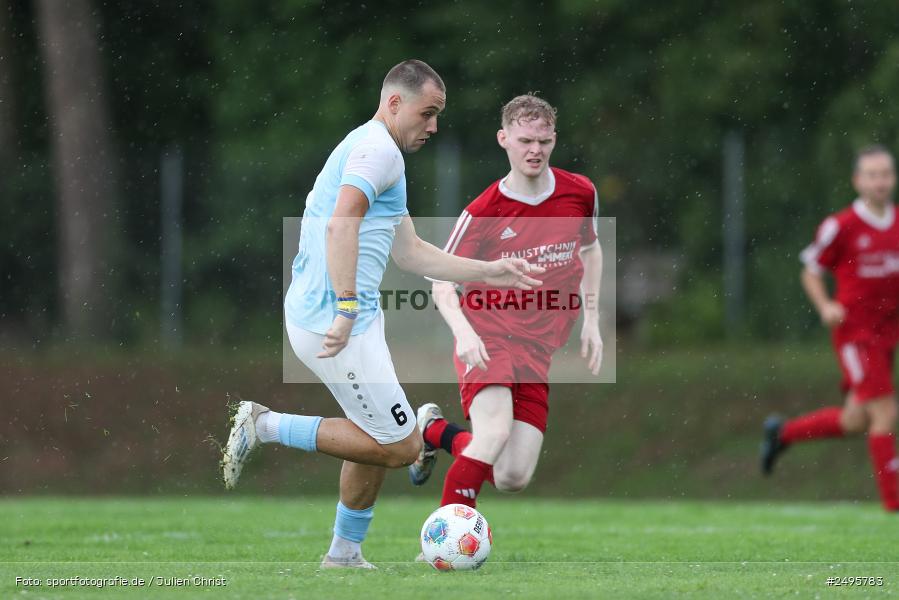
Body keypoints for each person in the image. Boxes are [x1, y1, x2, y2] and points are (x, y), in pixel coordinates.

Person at [220, 60, 544, 569]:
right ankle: (266, 425)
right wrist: (347, 306)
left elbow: (411, 253)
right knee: (399, 448)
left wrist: (489, 270)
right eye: (427, 113)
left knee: (372, 432)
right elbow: (341, 224)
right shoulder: (378, 152)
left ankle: (344, 554)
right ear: (394, 103)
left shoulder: (376, 149)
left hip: (352, 320)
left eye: (437, 116)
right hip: (334, 323)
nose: (433, 126)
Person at [407, 94, 603, 515]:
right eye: (525, 141)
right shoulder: (483, 212)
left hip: (538, 347)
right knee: (493, 433)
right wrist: (463, 334)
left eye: (544, 141)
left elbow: (590, 250)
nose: (535, 150)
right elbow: (441, 282)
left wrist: (592, 319)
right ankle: (445, 535)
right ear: (503, 139)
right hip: (488, 335)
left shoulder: (580, 193)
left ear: (554, 140)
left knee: (512, 476)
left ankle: (434, 431)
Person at [762, 145, 899, 512]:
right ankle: (894, 503)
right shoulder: (841, 226)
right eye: (872, 175)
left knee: (856, 419)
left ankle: (783, 433)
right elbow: (810, 270)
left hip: (888, 333)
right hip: (855, 334)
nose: (880, 181)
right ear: (857, 181)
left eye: (886, 174)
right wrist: (826, 305)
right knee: (885, 413)